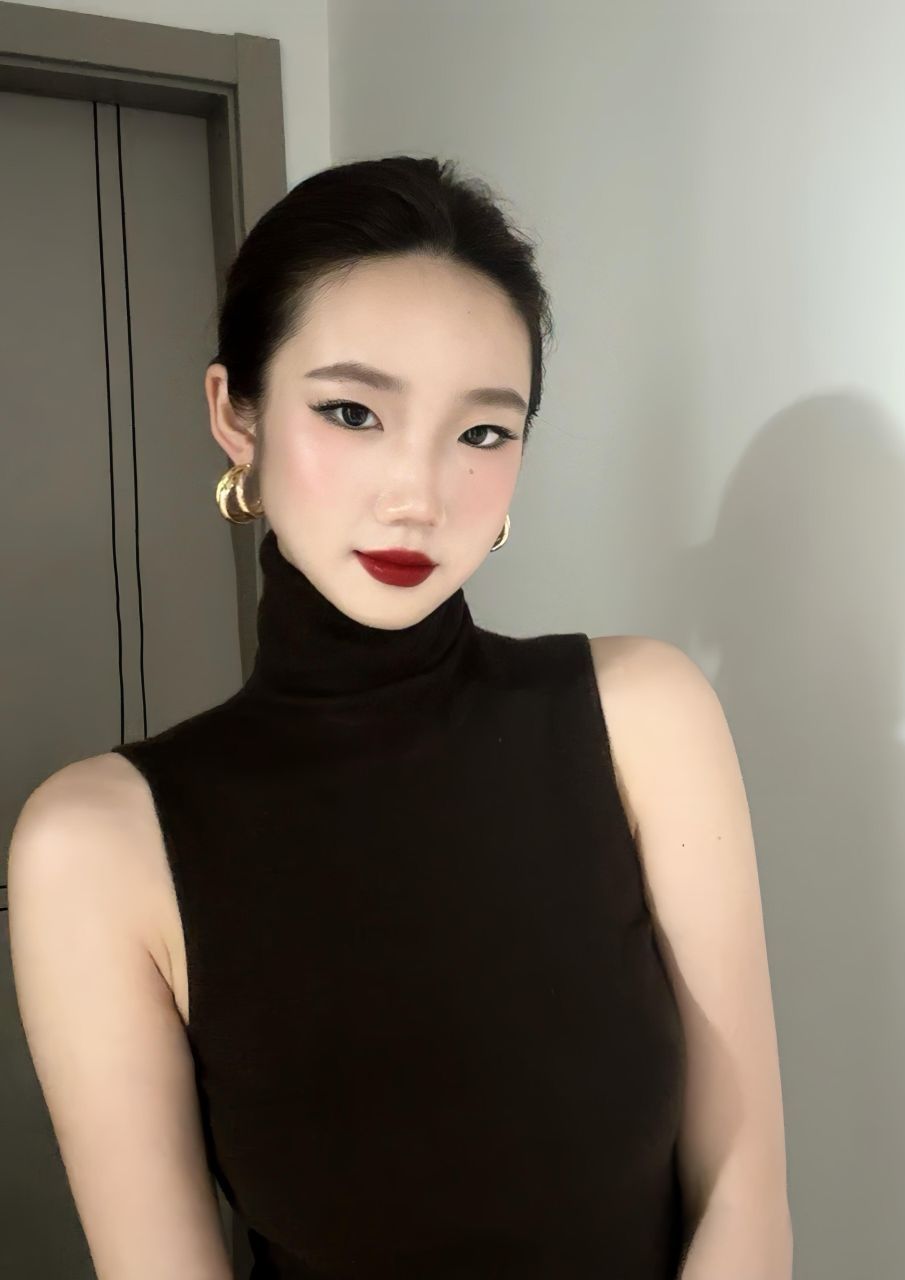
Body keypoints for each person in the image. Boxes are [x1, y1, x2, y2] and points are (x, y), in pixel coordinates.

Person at [9, 155, 789, 1278]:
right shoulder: (96, 844)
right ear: (235, 414)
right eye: (351, 411)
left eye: (483, 432)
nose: (418, 494)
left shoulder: (644, 716)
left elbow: (747, 1190)